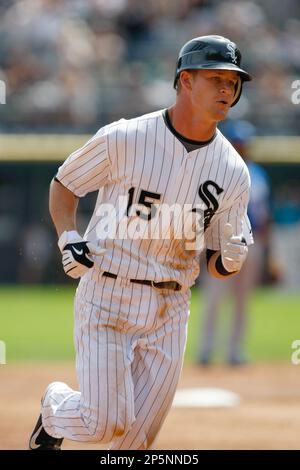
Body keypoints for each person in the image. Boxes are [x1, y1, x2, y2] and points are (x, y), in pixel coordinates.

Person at [29, 35, 253, 450]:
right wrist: (68, 236)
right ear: (185, 80)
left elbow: (220, 263)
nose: (227, 89)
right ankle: (55, 408)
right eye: (216, 78)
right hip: (108, 294)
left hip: (172, 307)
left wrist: (233, 258)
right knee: (104, 425)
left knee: (135, 444)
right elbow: (65, 184)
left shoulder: (234, 171)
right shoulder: (125, 137)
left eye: (234, 82)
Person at [198, 120, 271, 366]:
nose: (241, 147)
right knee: (215, 298)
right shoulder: (216, 171)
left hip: (251, 244)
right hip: (220, 241)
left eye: (244, 143)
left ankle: (235, 351)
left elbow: (264, 215)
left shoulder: (258, 173)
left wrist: (270, 252)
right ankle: (206, 350)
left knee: (242, 300)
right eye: (238, 143)